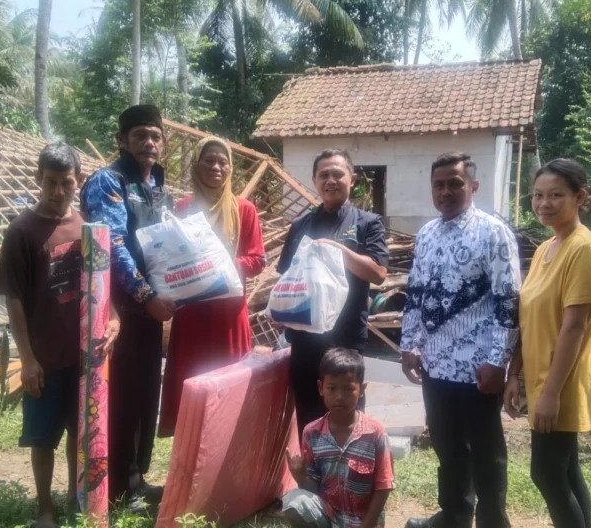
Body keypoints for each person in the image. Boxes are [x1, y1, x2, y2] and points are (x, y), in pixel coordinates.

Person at [0, 143, 119, 527]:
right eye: (50, 182)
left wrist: (114, 319)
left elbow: (101, 283)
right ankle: (45, 506)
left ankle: (73, 496)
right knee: (42, 437)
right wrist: (28, 359)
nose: (58, 191)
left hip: (83, 359)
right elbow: (13, 301)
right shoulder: (21, 231)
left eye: (67, 183)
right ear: (38, 179)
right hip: (44, 359)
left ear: (78, 181)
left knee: (78, 432)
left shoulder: (86, 226)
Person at [400, 152, 521, 528]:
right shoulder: (426, 234)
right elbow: (416, 294)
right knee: (448, 448)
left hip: (477, 370)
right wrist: (409, 345)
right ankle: (453, 516)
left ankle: (491, 521)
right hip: (435, 366)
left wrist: (498, 361)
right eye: (439, 184)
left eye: (455, 182)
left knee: (486, 453)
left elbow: (508, 300)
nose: (446, 191)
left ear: (473, 186)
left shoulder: (493, 232)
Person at [504, 159, 591, 528]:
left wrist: (550, 393)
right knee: (564, 470)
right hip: (541, 378)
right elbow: (527, 317)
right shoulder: (547, 247)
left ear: (580, 197)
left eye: (556, 195)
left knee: (546, 473)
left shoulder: (584, 248)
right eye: (538, 195)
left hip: (561, 381)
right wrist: (514, 374)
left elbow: (574, 327)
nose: (544, 203)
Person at [80, 104, 175, 510]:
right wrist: (146, 296)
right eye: (139, 135)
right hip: (115, 312)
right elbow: (113, 246)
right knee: (117, 396)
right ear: (121, 140)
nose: (148, 142)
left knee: (143, 396)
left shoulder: (157, 184)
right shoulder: (109, 180)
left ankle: (136, 479)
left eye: (154, 135)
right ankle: (117, 484)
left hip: (150, 311)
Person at [158, 136, 266, 437]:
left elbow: (257, 259)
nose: (216, 166)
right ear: (196, 164)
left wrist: (219, 266)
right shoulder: (182, 209)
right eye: (209, 160)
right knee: (190, 386)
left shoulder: (243, 210)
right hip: (192, 315)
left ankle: (225, 463)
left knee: (228, 386)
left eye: (223, 161)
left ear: (230, 167)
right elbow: (169, 256)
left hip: (229, 317)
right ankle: (190, 461)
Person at [277, 149, 388, 436]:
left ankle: (348, 479)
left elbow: (377, 273)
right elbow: (286, 277)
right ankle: (313, 480)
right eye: (323, 175)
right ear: (314, 181)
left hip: (345, 340)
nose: (331, 180)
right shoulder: (300, 225)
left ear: (351, 179)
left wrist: (336, 249)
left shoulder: (367, 223)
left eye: (337, 174)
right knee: (309, 419)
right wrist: (277, 311)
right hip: (303, 341)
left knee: (345, 418)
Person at [283, 348, 395, 528]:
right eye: (332, 388)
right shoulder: (311, 433)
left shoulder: (375, 433)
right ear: (321, 388)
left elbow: (384, 487)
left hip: (365, 521)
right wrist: (301, 477)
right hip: (329, 517)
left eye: (349, 389)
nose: (340, 397)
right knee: (294, 501)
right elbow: (314, 490)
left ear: (362, 390)